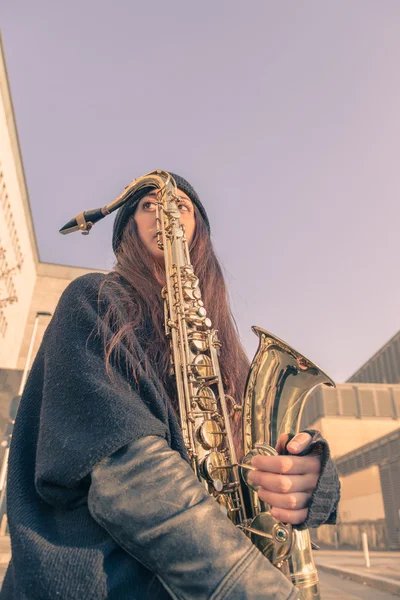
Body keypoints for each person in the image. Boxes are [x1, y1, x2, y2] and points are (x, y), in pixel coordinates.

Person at [1, 172, 340, 600]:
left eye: (181, 205)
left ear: (196, 232)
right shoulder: (92, 299)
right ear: (127, 228)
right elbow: (129, 474)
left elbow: (257, 460)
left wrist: (307, 479)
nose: (166, 212)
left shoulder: (225, 352)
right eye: (148, 205)